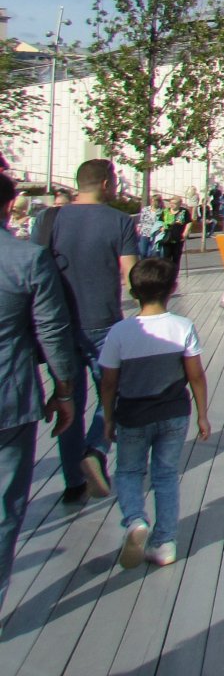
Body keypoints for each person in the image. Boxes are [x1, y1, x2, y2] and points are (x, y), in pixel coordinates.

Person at [32, 158, 137, 502]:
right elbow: (132, 279)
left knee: (67, 399)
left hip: (59, 325)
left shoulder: (48, 220)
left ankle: (73, 483)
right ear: (106, 184)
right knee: (116, 392)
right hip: (103, 321)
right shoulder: (119, 222)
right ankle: (96, 449)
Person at [99, 256, 209, 567]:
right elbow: (196, 375)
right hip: (174, 413)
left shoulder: (120, 332)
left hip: (133, 415)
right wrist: (202, 414)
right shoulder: (182, 327)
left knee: (130, 472)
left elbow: (108, 383)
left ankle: (135, 520)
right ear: (172, 289)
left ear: (132, 292)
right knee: (166, 476)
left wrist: (107, 418)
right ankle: (165, 543)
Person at [0, 172, 79, 606]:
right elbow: (53, 332)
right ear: (10, 207)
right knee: (5, 508)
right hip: (9, 399)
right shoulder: (27, 260)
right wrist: (64, 391)